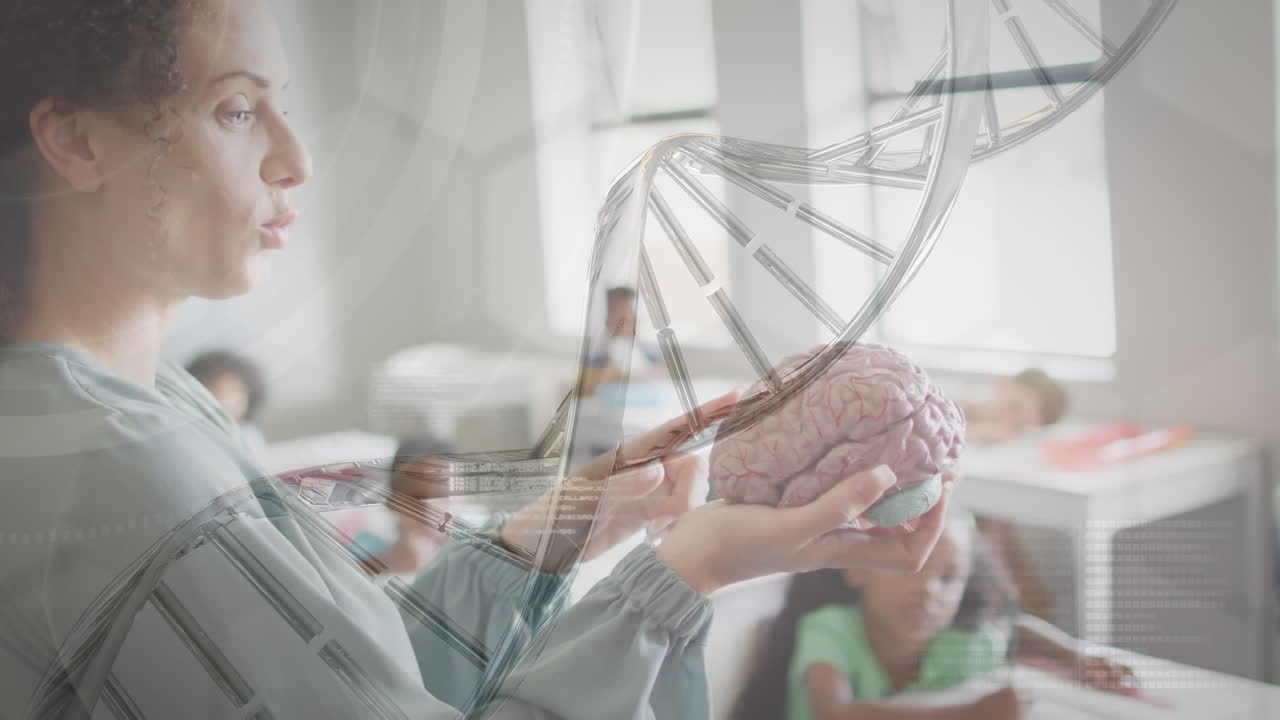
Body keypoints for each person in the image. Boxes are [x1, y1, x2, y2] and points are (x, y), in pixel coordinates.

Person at [0, 1, 958, 717]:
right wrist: (681, 574)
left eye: (281, 105)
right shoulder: (121, 473)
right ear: (77, 140)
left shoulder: (137, 402)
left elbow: (350, 684)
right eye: (236, 110)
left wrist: (549, 535)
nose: (295, 157)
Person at [731, 513, 1136, 720]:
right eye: (910, 569)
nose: (929, 589)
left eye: (949, 578)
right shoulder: (830, 630)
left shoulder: (957, 643)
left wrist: (1075, 657)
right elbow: (837, 714)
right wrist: (974, 714)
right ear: (857, 570)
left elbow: (1015, 632)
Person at [581, 286, 663, 396]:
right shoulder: (596, 355)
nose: (625, 323)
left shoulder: (645, 351)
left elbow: (665, 374)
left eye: (629, 316)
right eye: (619, 317)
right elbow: (586, 388)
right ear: (607, 318)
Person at [186, 348, 270, 457]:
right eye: (214, 391)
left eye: (231, 396)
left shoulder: (249, 436)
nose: (223, 403)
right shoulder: (189, 432)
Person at [961, 369, 1068, 445]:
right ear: (1002, 382)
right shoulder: (954, 395)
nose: (1008, 421)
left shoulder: (999, 438)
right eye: (1014, 407)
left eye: (1019, 425)